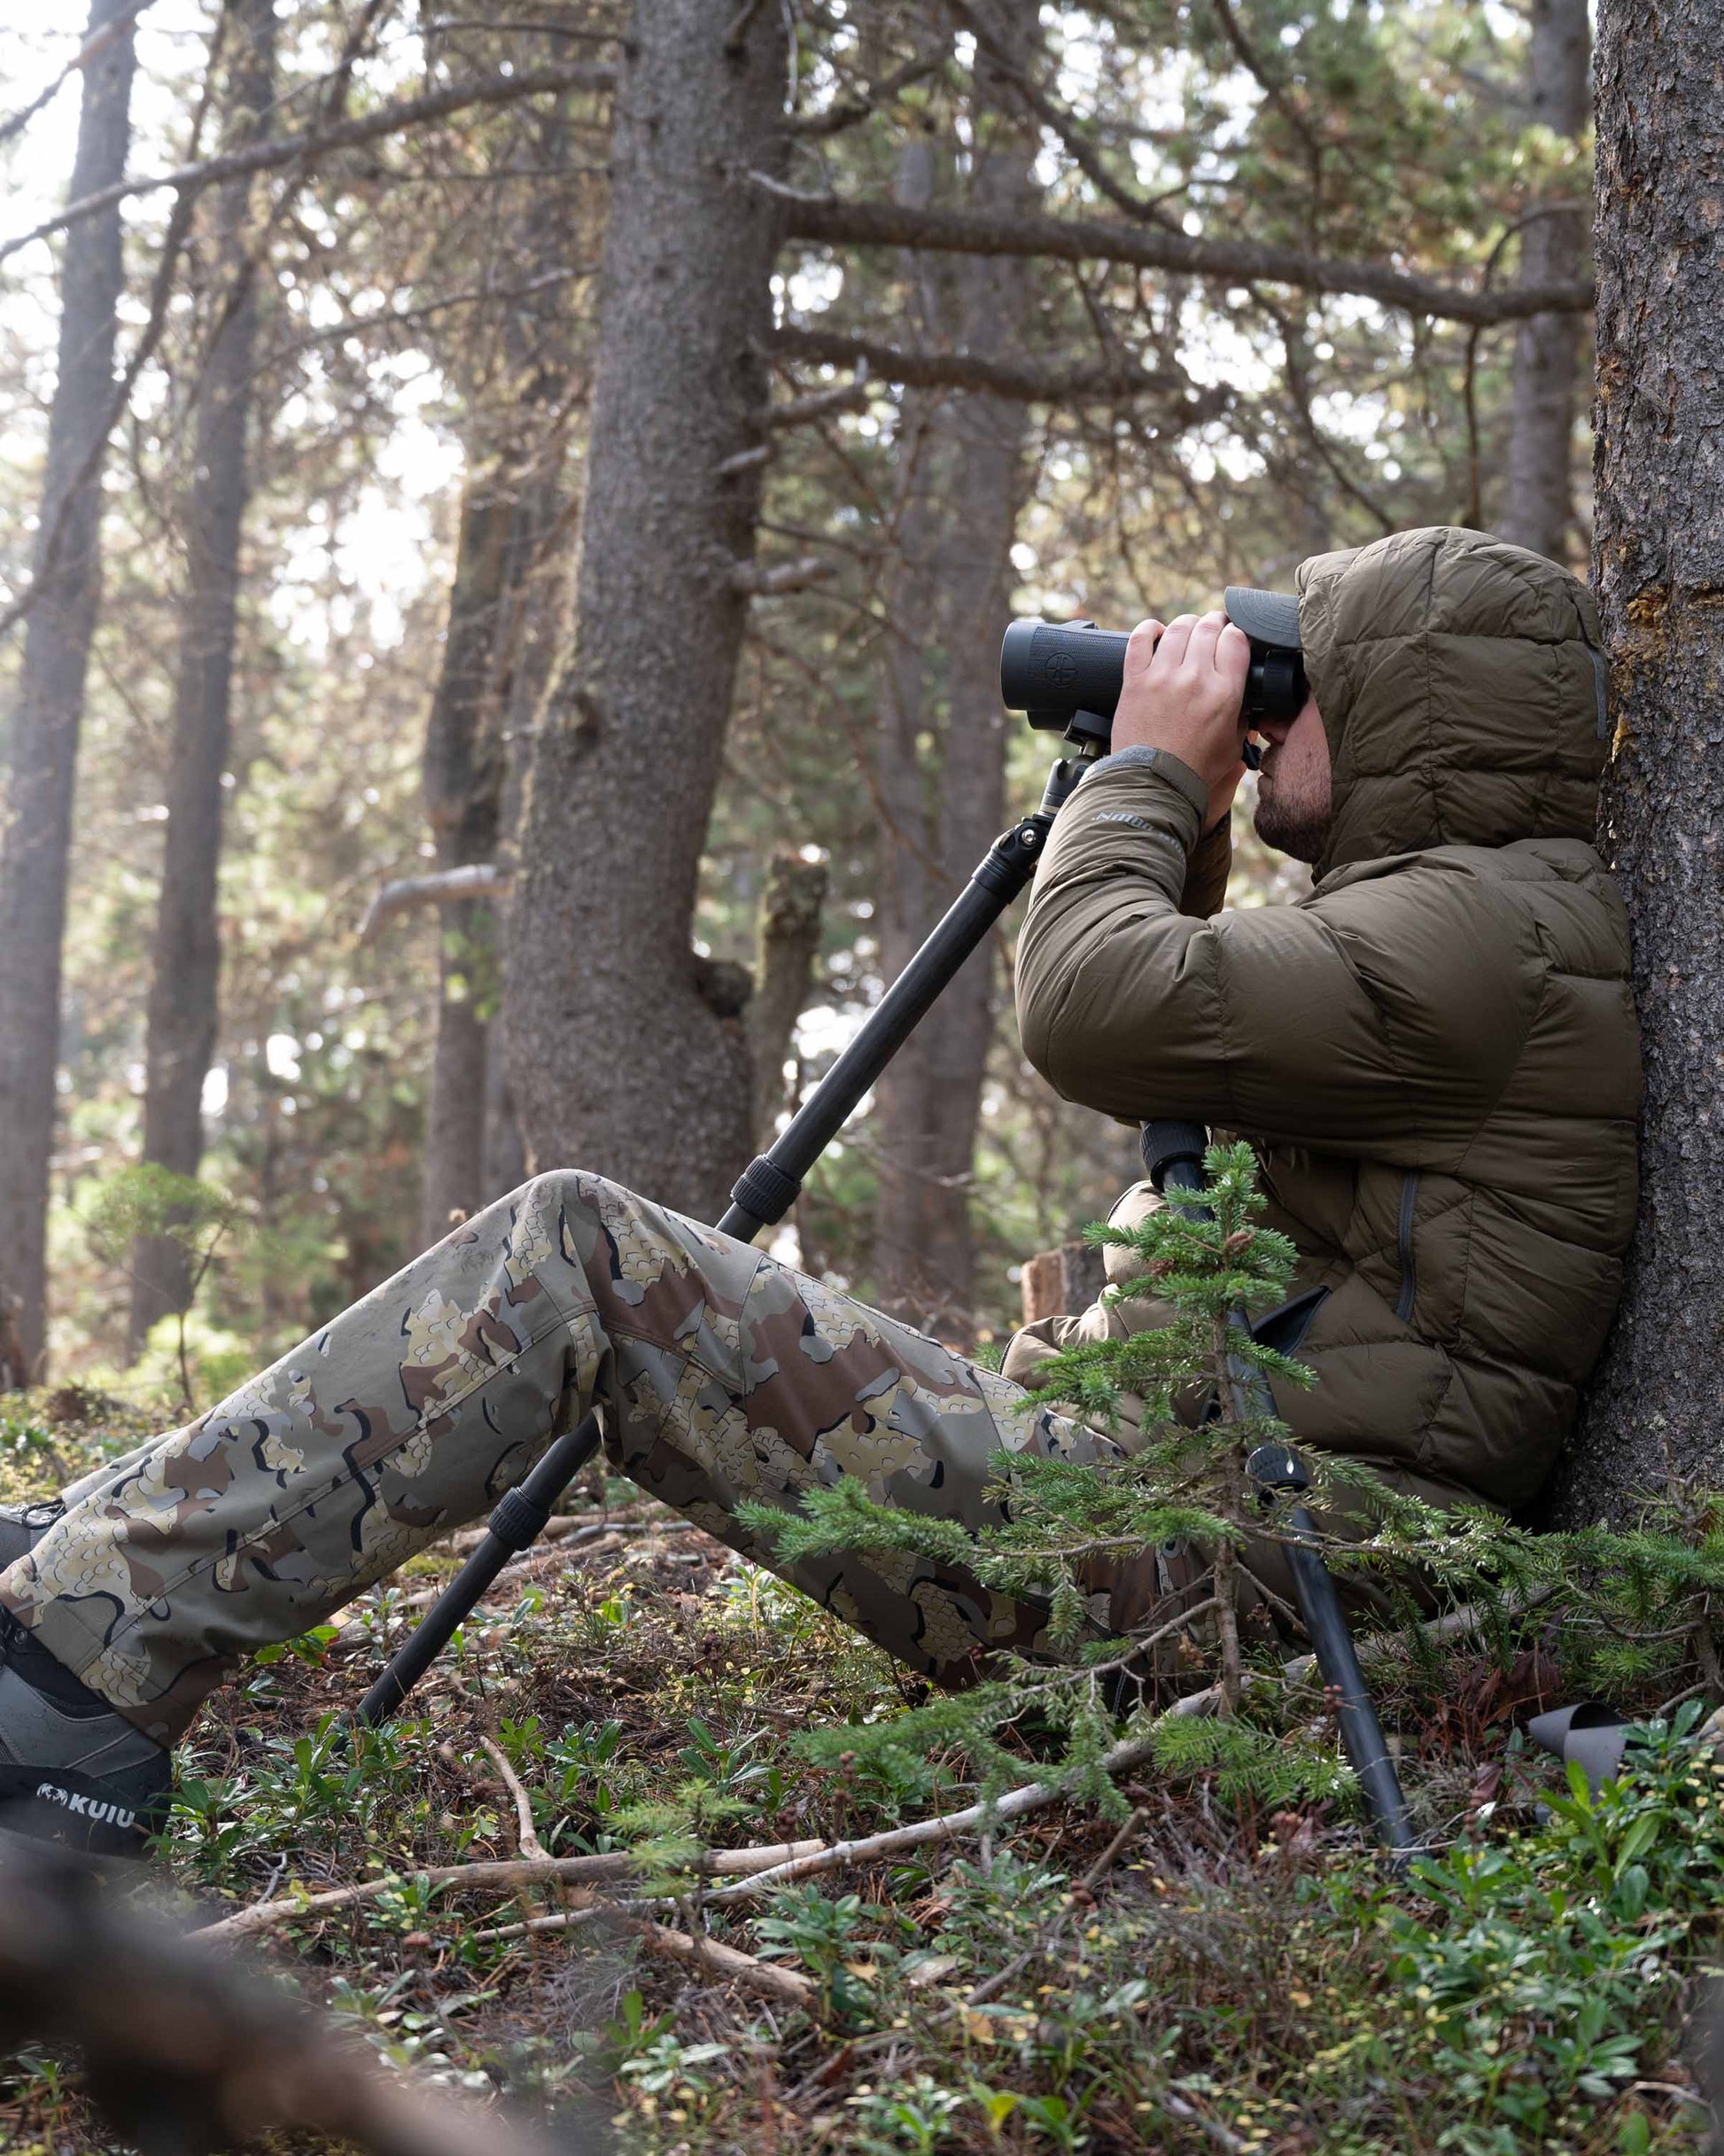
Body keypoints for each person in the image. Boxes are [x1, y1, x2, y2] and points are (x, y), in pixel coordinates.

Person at [0, 525, 1640, 1856]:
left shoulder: (1479, 935)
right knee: (597, 1255)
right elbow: (1189, 1030)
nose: (1262, 714)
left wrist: (1149, 776)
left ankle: (76, 1668)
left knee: (584, 1252)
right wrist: (1180, 813)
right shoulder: (1478, 923)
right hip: (1195, 1528)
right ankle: (85, 1566)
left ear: (1416, 712)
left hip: (1243, 1582)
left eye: (1297, 683)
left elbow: (1097, 1007)